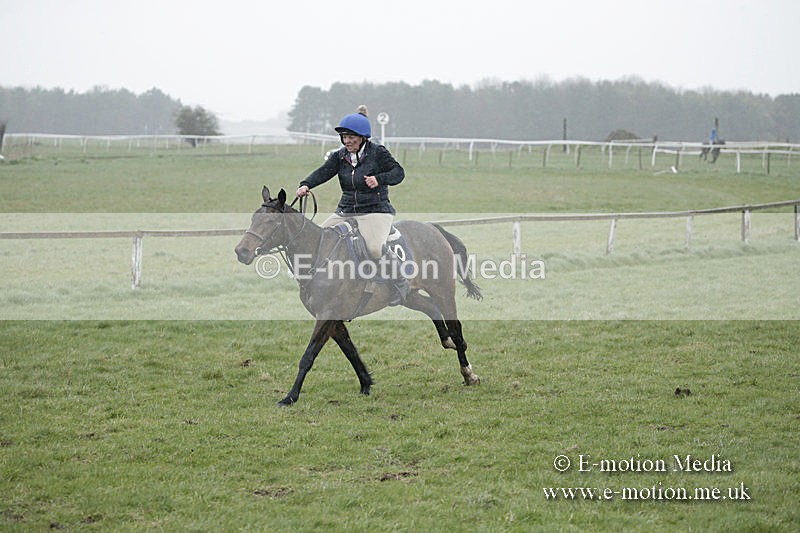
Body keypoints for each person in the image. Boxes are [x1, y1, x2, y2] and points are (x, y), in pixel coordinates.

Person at [295, 105, 408, 304]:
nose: (347, 141)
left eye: (351, 137)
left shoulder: (378, 153)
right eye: (344, 137)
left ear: (363, 137)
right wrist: (306, 184)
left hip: (375, 211)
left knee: (374, 248)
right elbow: (323, 172)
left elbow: (398, 173)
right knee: (320, 241)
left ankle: (400, 281)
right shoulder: (339, 156)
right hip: (346, 210)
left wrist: (379, 179)